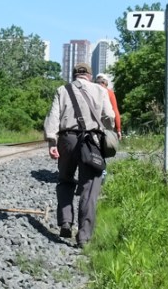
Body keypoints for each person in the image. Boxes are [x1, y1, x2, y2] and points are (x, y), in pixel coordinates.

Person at [43, 62, 115, 248]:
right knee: (89, 187)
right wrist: (105, 129)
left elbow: (53, 117)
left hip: (67, 139)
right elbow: (109, 117)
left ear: (74, 75)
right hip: (91, 142)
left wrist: (52, 141)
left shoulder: (63, 89)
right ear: (89, 76)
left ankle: (66, 221)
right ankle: (83, 236)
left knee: (65, 179)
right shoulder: (100, 90)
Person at [94, 73, 121, 140]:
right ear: (105, 82)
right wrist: (118, 129)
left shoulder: (90, 91)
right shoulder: (109, 92)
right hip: (107, 125)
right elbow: (115, 110)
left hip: (93, 125)